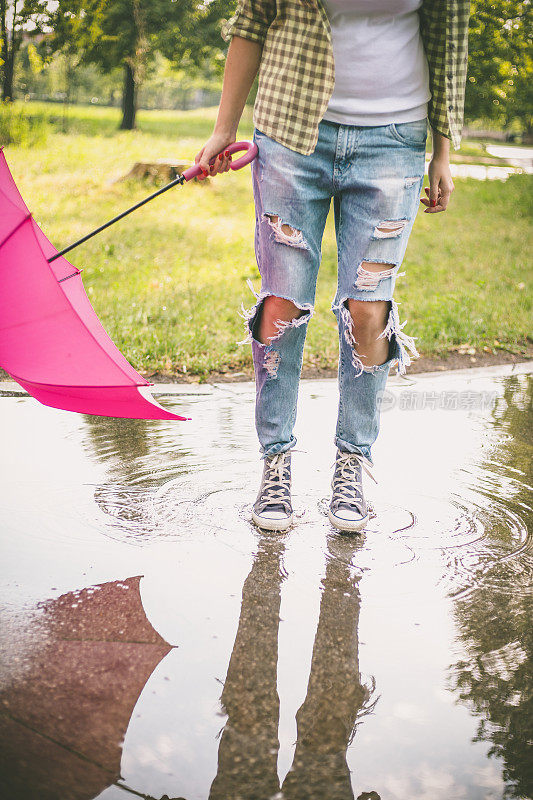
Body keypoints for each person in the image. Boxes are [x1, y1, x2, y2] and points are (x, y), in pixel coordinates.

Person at [195, 0, 470, 533]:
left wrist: (443, 152)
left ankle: (351, 466)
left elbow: (449, 43)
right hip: (292, 137)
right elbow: (251, 22)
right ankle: (275, 463)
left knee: (369, 308)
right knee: (284, 301)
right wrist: (223, 126)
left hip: (394, 142)